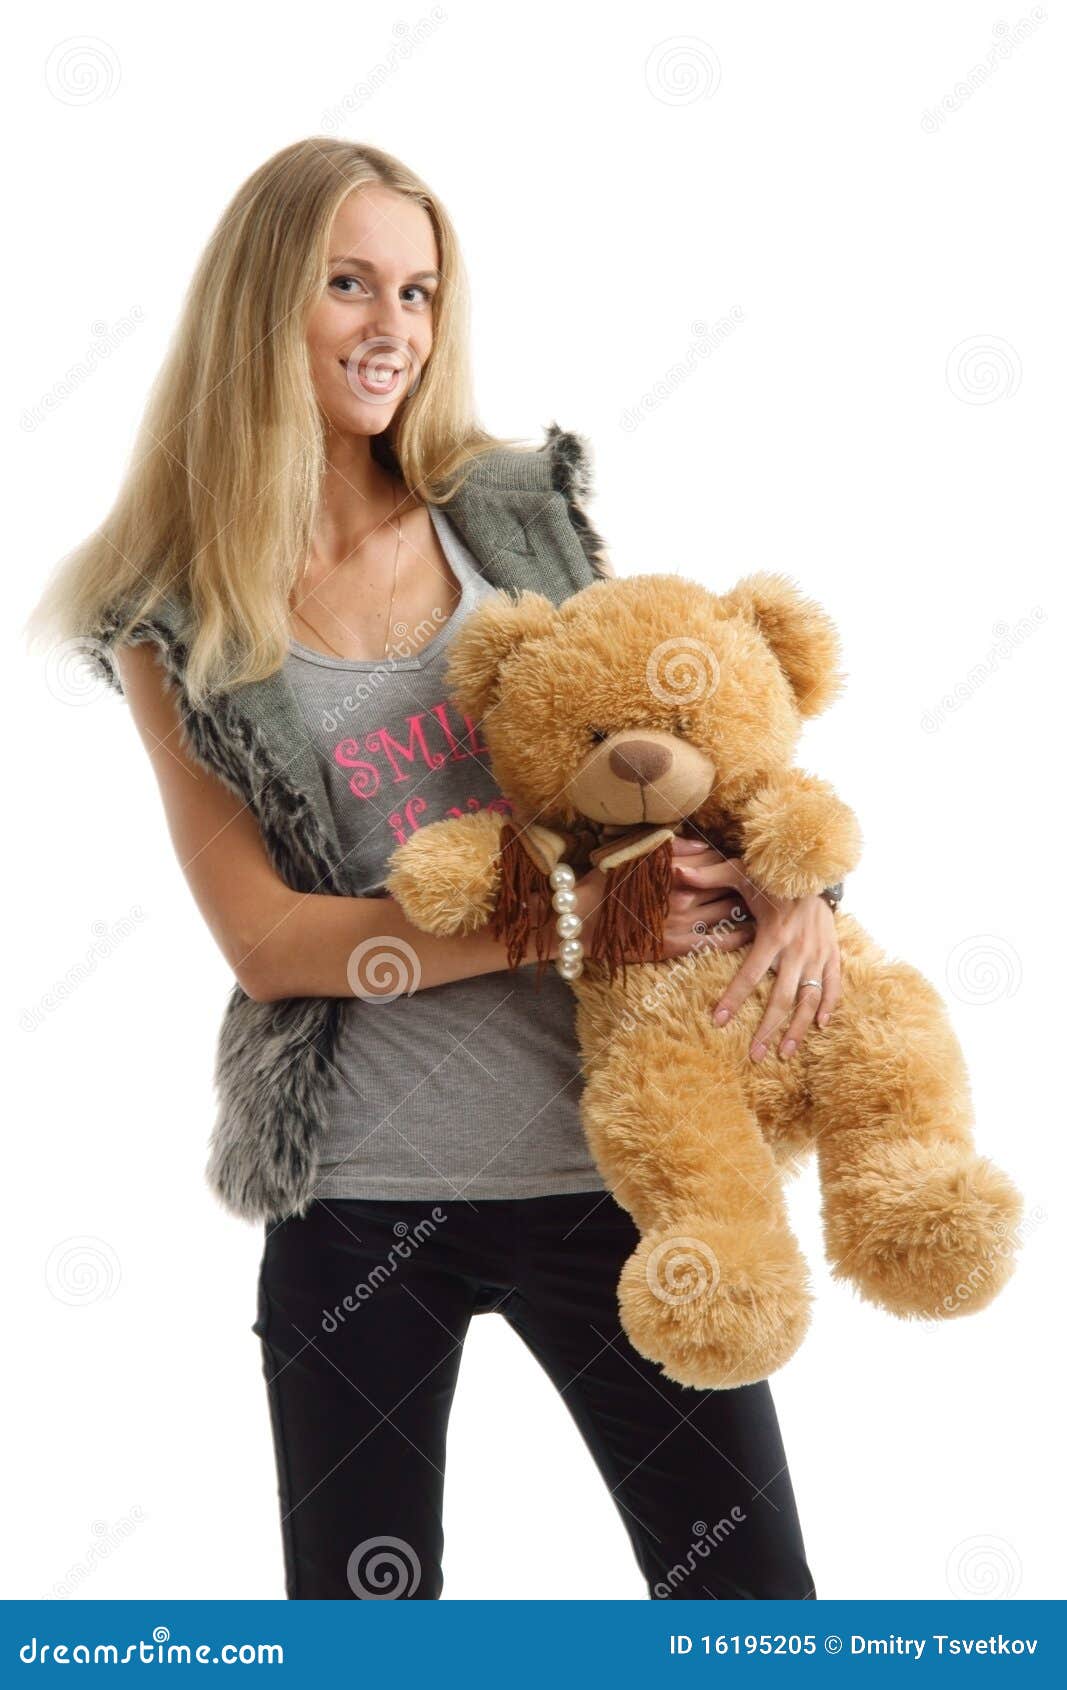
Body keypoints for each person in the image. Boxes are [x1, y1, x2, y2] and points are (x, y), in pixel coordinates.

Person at [27, 138, 842, 1600]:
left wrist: (790, 877)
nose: (390, 323)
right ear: (261, 309)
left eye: (416, 288)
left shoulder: (511, 520)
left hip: (606, 1167)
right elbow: (269, 941)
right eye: (346, 284)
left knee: (755, 1613)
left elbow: (672, 732)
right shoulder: (178, 619)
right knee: (364, 1640)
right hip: (354, 1199)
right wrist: (574, 914)